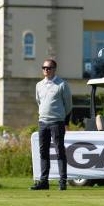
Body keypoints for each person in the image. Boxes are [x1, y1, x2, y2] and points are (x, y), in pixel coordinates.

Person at [30, 58, 72, 191]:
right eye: (44, 68)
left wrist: (62, 118)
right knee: (43, 151)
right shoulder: (38, 85)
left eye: (48, 68)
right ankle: (44, 182)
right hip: (43, 122)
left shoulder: (62, 84)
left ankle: (62, 181)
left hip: (57, 122)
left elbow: (68, 105)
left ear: (54, 69)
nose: (46, 70)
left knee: (59, 150)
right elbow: (39, 102)